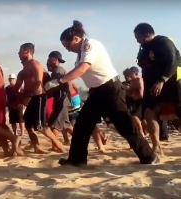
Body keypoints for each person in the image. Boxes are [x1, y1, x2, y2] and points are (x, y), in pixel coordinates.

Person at [45, 20, 157, 167]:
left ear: (76, 39)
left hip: (110, 89)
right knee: (82, 125)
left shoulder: (89, 45)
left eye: (67, 45)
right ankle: (77, 159)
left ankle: (148, 156)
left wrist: (60, 81)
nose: (67, 49)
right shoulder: (80, 53)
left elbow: (82, 69)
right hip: (97, 92)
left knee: (124, 125)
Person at [134, 23, 181, 156]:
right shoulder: (143, 48)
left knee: (178, 113)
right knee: (149, 112)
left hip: (172, 82)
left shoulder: (164, 42)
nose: (136, 40)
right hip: (152, 84)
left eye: (137, 36)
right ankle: (156, 146)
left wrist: (162, 80)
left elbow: (172, 62)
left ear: (146, 34)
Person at [13, 43, 66, 154]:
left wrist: (28, 94)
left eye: (20, 51)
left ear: (27, 52)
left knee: (41, 127)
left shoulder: (35, 64)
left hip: (39, 97)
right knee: (28, 125)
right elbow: (17, 87)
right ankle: (36, 147)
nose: (18, 53)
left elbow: (38, 82)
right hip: (32, 98)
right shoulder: (24, 69)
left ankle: (60, 146)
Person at [46, 51, 73, 152]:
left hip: (62, 100)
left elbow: (54, 86)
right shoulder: (57, 70)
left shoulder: (58, 71)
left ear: (54, 59)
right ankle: (81, 140)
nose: (47, 61)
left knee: (54, 124)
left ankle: (55, 146)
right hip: (62, 100)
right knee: (67, 125)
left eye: (49, 59)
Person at [124, 66, 145, 137]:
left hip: (141, 100)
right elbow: (129, 93)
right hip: (135, 101)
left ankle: (141, 132)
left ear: (135, 73)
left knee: (135, 116)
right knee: (138, 118)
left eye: (130, 72)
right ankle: (144, 131)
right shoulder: (132, 82)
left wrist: (135, 92)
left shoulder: (139, 80)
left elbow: (141, 92)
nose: (129, 74)